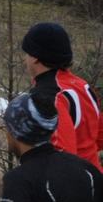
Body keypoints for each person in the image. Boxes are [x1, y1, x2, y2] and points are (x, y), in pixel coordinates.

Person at [20, 20, 102, 169]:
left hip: (73, 180)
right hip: (94, 175)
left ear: (36, 57)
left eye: (27, 53)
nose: (24, 59)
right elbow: (100, 136)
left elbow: (62, 156)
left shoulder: (49, 96)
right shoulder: (82, 85)